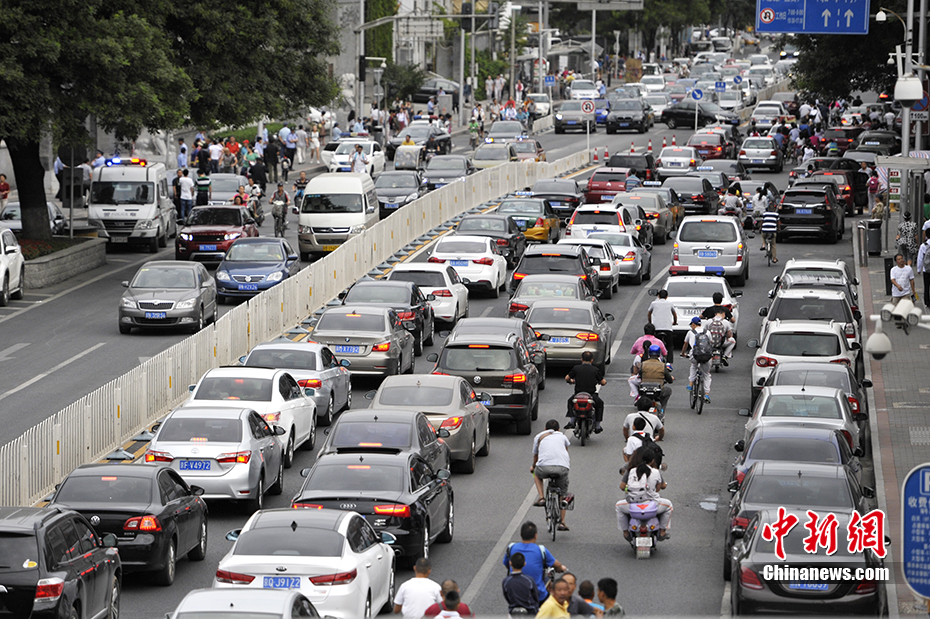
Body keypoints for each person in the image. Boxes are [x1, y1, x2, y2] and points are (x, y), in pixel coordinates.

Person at [616, 447, 672, 541]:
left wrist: (628, 490)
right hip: (652, 506)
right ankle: (662, 532)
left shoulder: (632, 470)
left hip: (633, 506)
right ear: (652, 460)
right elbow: (658, 489)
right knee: (669, 505)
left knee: (618, 506)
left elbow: (623, 487)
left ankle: (626, 533)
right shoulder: (655, 472)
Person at [503, 521, 566, 605]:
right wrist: (562, 568)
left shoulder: (511, 548)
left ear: (521, 535)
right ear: (535, 536)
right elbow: (557, 565)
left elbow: (506, 564)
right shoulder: (541, 550)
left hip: (515, 594)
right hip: (537, 596)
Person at [531, 421, 572, 530]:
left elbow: (536, 455)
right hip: (561, 467)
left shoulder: (539, 436)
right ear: (559, 429)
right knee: (563, 494)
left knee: (536, 474)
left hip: (543, 468)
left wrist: (533, 467)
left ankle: (541, 498)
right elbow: (566, 451)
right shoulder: (562, 436)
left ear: (545, 429)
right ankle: (562, 522)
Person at [564, 351, 606, 433]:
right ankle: (597, 425)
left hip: (578, 394)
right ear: (592, 360)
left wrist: (571, 381)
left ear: (581, 359)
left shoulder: (576, 368)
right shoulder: (595, 370)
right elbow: (603, 382)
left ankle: (572, 421)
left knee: (570, 401)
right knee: (600, 404)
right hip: (591, 395)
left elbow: (567, 378)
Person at [681, 316, 712, 403]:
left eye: (691, 324)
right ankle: (706, 394)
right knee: (706, 374)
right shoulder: (707, 332)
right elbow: (710, 343)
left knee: (694, 366)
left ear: (694, 324)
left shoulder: (690, 333)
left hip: (695, 354)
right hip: (706, 355)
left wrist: (683, 353)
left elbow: (685, 344)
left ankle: (691, 384)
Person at [636, 345, 674, 411]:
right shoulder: (662, 365)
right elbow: (669, 380)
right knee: (668, 390)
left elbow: (640, 374)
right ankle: (662, 409)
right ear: (659, 354)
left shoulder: (643, 364)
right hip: (658, 391)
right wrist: (670, 379)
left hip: (644, 390)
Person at [701, 292, 736, 361]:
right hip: (721, 340)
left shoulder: (709, 310)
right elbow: (733, 320)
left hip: (710, 340)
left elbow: (701, 317)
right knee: (732, 340)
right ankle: (725, 356)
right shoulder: (725, 310)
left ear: (713, 300)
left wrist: (705, 318)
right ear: (721, 300)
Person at [917, 230, 930, 309]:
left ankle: (927, 301)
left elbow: (920, 258)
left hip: (926, 269)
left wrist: (919, 269)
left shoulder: (924, 245)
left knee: (926, 286)